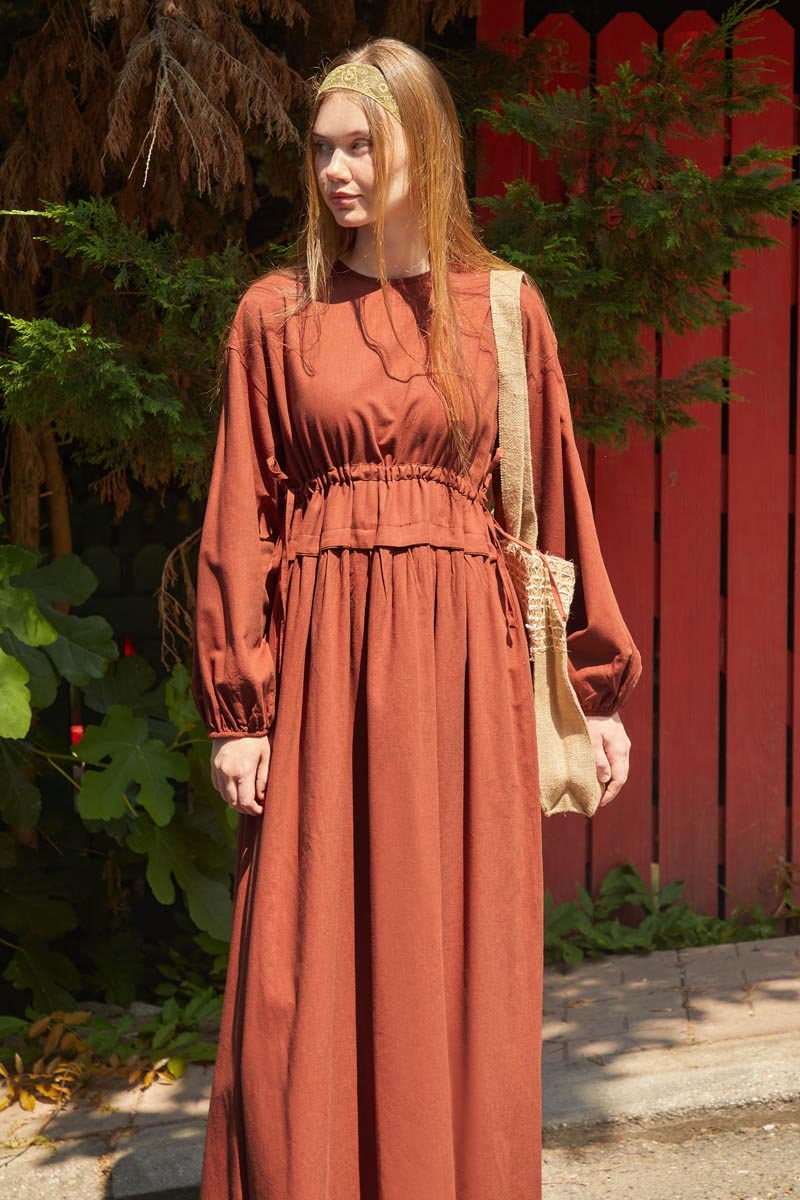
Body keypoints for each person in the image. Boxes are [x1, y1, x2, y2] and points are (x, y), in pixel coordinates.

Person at [191, 36, 641, 1200]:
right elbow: (241, 514)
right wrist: (239, 711)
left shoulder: (502, 310)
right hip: (321, 673)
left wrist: (590, 690)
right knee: (298, 967)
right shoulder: (277, 313)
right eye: (321, 149)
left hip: (462, 679)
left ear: (424, 150)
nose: (335, 171)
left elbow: (552, 509)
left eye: (361, 145)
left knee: (456, 957)